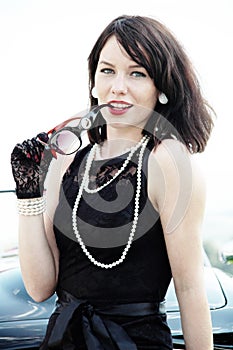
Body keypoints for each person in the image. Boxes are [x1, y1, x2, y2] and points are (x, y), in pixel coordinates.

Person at [10, 15, 214, 350]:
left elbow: (190, 288)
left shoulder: (169, 162)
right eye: (108, 70)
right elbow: (40, 287)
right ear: (93, 81)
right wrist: (28, 192)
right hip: (64, 340)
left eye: (137, 73)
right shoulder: (68, 158)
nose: (118, 86)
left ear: (160, 87)